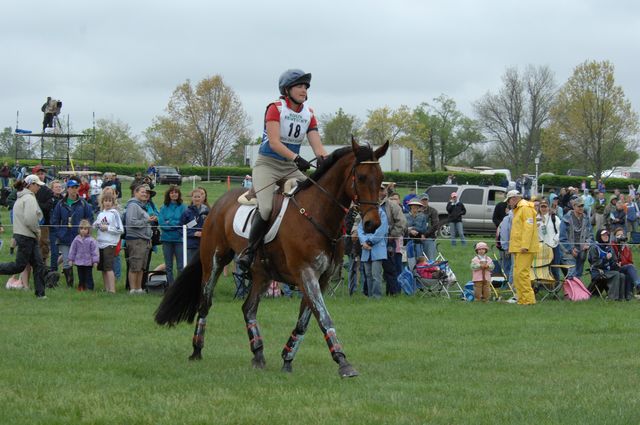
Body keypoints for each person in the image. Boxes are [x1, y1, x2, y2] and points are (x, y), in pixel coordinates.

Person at [236, 69, 328, 272]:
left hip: (289, 168)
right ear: (287, 90)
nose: (304, 90)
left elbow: (318, 147)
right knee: (266, 208)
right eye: (299, 86)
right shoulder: (275, 109)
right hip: (267, 165)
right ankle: (249, 252)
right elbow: (275, 143)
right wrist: (296, 157)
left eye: (306, 87)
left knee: (313, 195)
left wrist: (326, 159)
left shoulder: (309, 114)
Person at [0, 175, 55, 298]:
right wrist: (37, 231)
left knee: (38, 265)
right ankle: (40, 294)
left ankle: (40, 294)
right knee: (19, 266)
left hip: (23, 235)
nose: (39, 188)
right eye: (37, 185)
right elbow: (30, 219)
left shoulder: (21, 197)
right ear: (31, 185)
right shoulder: (29, 198)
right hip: (27, 236)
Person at [50, 178, 94, 288]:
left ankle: (83, 284)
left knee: (81, 262)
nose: (74, 190)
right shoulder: (60, 204)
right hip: (64, 237)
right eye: (72, 188)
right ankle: (70, 285)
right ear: (67, 189)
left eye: (76, 187)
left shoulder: (83, 203)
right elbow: (54, 220)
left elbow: (90, 218)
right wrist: (59, 233)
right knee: (66, 261)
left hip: (80, 238)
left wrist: (85, 230)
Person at [507, 190, 539, 305]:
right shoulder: (518, 209)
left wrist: (525, 245)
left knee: (522, 274)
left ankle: (529, 300)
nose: (509, 204)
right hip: (518, 247)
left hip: (524, 248)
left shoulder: (525, 208)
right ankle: (521, 299)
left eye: (509, 201)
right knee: (517, 274)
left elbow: (528, 228)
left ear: (514, 199)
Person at [125, 184, 153, 294]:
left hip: (144, 239)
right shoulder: (133, 205)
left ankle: (139, 288)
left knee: (141, 266)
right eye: (142, 192)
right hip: (136, 239)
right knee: (135, 265)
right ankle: (133, 289)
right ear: (135, 193)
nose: (145, 194)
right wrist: (147, 221)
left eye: (146, 192)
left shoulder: (141, 206)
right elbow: (131, 222)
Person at [93, 191, 123, 293]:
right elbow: (95, 225)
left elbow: (120, 229)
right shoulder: (101, 214)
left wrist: (108, 228)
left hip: (110, 244)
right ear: (102, 202)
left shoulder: (115, 214)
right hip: (100, 243)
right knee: (103, 268)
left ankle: (112, 289)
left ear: (113, 202)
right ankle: (106, 288)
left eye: (110, 201)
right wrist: (96, 225)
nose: (107, 203)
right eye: (105, 200)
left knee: (109, 267)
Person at [357, 204, 389, 299]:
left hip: (378, 248)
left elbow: (382, 230)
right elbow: (360, 229)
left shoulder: (381, 214)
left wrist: (370, 241)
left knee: (376, 275)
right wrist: (364, 242)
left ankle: (377, 296)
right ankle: (370, 296)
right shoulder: (365, 214)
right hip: (366, 249)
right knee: (368, 275)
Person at [588, 229, 629, 301]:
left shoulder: (609, 247)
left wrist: (616, 265)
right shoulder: (594, 247)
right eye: (603, 235)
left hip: (608, 271)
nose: (606, 236)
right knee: (616, 274)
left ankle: (621, 298)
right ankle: (612, 298)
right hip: (598, 271)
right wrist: (605, 258)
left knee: (622, 275)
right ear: (599, 236)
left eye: (607, 235)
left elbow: (613, 262)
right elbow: (595, 264)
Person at [559, 197, 593, 279]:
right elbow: (562, 238)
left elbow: (591, 235)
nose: (581, 208)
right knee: (571, 275)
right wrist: (571, 249)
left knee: (578, 275)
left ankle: (576, 292)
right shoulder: (565, 219)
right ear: (574, 206)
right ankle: (570, 292)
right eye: (579, 206)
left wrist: (587, 243)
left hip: (582, 252)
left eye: (582, 206)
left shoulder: (586, 219)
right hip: (568, 252)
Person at [159, 185, 186, 285]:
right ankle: (170, 286)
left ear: (178, 194)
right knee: (168, 265)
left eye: (176, 192)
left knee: (181, 265)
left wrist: (169, 222)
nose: (174, 194)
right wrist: (173, 224)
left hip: (179, 239)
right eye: (171, 192)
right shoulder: (163, 207)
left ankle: (180, 286)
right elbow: (161, 223)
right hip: (166, 239)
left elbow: (182, 223)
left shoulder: (183, 207)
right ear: (168, 194)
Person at [32, 165, 56, 270]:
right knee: (31, 243)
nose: (41, 176)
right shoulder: (28, 189)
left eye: (42, 174)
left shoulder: (48, 191)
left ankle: (43, 266)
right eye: (38, 174)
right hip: (30, 222)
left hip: (44, 222)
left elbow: (48, 206)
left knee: (44, 243)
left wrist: (35, 204)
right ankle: (31, 266)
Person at [68, 220, 99, 291]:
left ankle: (90, 288)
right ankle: (81, 287)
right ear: (79, 229)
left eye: (85, 229)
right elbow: (73, 250)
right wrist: (70, 259)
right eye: (81, 229)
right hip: (79, 261)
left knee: (88, 276)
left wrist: (95, 261)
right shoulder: (76, 239)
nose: (83, 230)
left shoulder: (91, 240)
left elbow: (94, 252)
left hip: (88, 262)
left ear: (89, 230)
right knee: (80, 276)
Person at [181, 188, 209, 263]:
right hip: (191, 245)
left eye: (199, 197)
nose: (197, 199)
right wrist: (194, 233)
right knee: (191, 266)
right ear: (192, 198)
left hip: (204, 244)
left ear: (202, 198)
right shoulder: (187, 212)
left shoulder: (207, 211)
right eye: (195, 197)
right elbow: (182, 229)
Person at [537, 199, 562, 281]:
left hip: (553, 246)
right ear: (539, 207)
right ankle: (543, 285)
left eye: (545, 206)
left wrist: (555, 240)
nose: (543, 208)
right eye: (542, 206)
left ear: (548, 207)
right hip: (541, 247)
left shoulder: (554, 217)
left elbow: (560, 230)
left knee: (555, 268)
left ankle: (556, 285)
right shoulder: (535, 218)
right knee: (541, 268)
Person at [611, 226, 638, 297]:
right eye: (618, 235)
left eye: (622, 235)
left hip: (625, 267)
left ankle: (628, 295)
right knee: (630, 268)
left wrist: (624, 263)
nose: (620, 236)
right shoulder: (613, 245)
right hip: (615, 268)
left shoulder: (627, 247)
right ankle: (638, 285)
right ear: (615, 237)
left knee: (630, 270)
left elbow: (630, 261)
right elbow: (614, 260)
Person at [418, 194, 439, 261]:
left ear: (428, 201)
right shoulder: (415, 210)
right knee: (418, 260)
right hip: (417, 239)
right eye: (423, 200)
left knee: (430, 259)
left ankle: (432, 271)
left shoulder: (433, 211)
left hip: (429, 238)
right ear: (419, 201)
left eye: (426, 200)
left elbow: (435, 225)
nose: (424, 202)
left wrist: (425, 235)